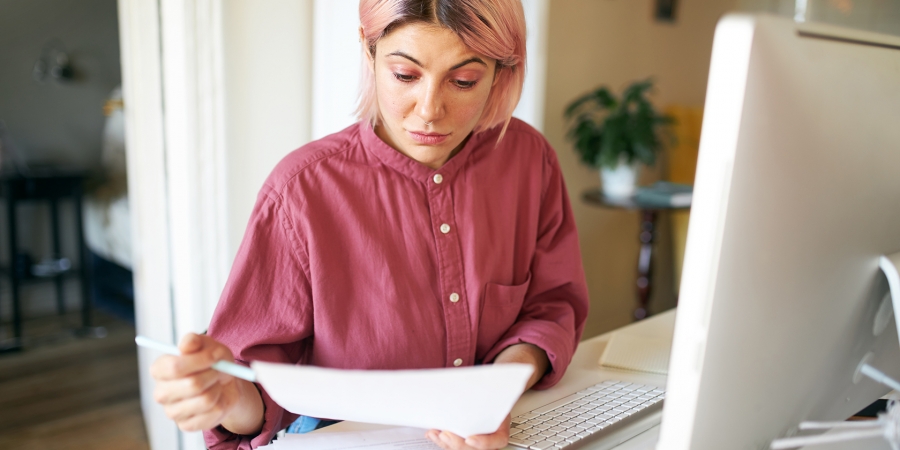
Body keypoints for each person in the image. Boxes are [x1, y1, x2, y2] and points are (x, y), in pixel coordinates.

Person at [148, 1, 589, 449]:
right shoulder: (300, 192)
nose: (429, 110)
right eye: (405, 75)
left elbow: (552, 306)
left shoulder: (529, 160)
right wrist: (226, 400)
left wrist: (494, 395)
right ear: (369, 51)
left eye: (463, 81)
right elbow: (253, 393)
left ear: (502, 71)